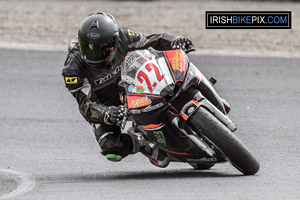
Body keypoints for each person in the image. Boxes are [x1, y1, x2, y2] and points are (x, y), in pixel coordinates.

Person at [62, 12, 193, 167]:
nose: (93, 54)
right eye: (88, 48)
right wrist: (106, 114)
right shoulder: (73, 70)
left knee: (169, 75)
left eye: (99, 49)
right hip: (104, 105)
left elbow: (152, 40)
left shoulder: (124, 37)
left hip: (132, 85)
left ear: (113, 43)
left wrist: (174, 41)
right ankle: (143, 142)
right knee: (111, 149)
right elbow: (86, 106)